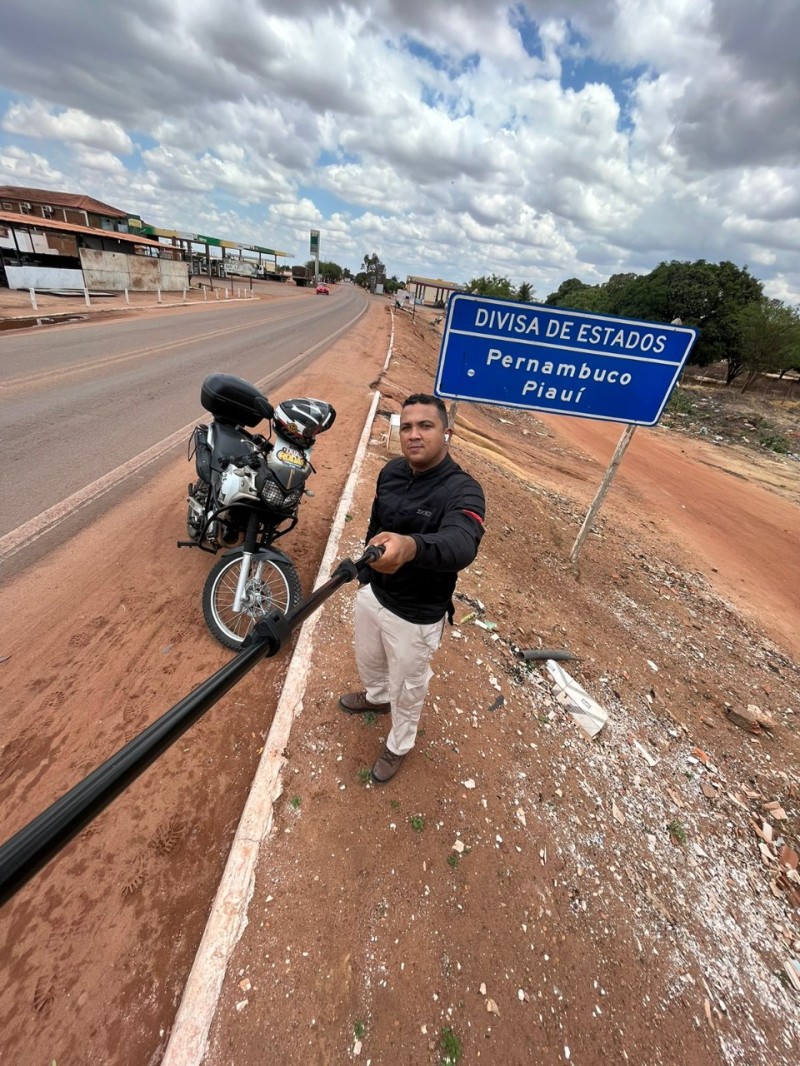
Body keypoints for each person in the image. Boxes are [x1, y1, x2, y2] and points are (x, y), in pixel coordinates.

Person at [339, 394, 486, 783]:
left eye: (425, 426)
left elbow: (461, 543)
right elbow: (375, 524)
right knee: (369, 660)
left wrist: (411, 546)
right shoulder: (390, 473)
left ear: (446, 433)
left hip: (416, 615)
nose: (414, 435)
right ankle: (375, 697)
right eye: (406, 427)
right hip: (375, 594)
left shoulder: (464, 491)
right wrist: (369, 576)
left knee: (409, 687)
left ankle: (399, 744)